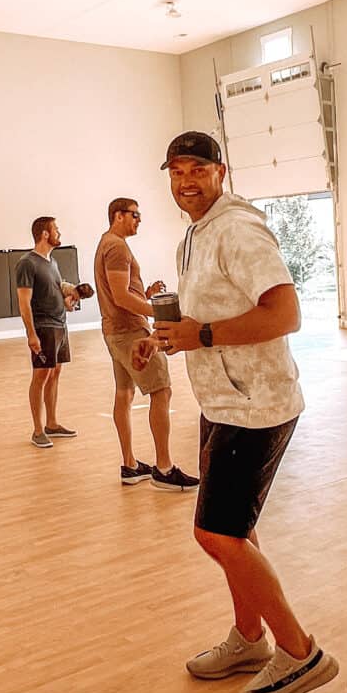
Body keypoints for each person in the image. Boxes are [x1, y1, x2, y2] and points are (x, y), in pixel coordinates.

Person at [136, 132, 339, 693]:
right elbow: (216, 313)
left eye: (197, 168)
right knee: (237, 530)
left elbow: (285, 313)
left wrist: (200, 334)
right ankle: (250, 640)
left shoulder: (239, 229)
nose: (186, 181)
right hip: (223, 400)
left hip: (257, 406)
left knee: (216, 533)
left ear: (221, 171)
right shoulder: (196, 234)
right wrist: (172, 336)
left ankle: (300, 652)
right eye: (176, 172)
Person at [94, 198, 199, 492]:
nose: (139, 220)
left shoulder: (107, 243)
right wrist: (159, 311)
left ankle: (130, 465)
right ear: (118, 216)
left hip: (115, 330)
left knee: (124, 394)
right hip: (130, 332)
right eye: (135, 215)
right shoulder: (117, 247)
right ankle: (164, 468)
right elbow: (121, 297)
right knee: (161, 391)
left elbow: (126, 291)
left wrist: (146, 293)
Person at [16, 216, 80, 449]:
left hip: (60, 325)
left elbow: (54, 294)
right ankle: (37, 430)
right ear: (45, 234)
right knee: (41, 376)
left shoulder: (51, 263)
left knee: (55, 374)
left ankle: (52, 423)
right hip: (43, 327)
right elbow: (24, 302)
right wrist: (31, 334)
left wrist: (67, 303)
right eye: (56, 230)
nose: (59, 233)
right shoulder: (27, 263)